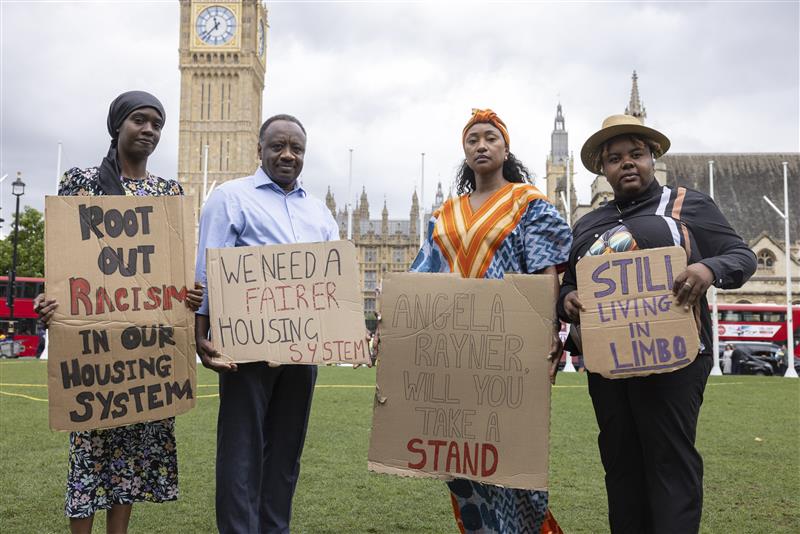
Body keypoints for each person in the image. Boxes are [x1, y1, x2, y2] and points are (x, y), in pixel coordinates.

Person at [558, 114, 756, 534]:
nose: (627, 163)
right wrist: (566, 299)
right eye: (615, 158)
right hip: (609, 362)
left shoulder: (687, 205)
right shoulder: (588, 223)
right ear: (602, 169)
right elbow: (569, 286)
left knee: (669, 460)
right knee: (621, 462)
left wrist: (707, 269)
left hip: (676, 357)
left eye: (636, 154)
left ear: (652, 159)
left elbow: (742, 256)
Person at [33, 90, 203, 534]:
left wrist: (191, 297)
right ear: (117, 125)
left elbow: (174, 270)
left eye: (157, 124)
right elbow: (65, 257)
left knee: (129, 459)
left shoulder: (168, 193)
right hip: (92, 349)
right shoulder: (82, 182)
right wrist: (50, 300)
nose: (149, 130)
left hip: (146, 351)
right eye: (140, 120)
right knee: (88, 453)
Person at [409, 109, 571, 534]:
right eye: (472, 140)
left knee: (514, 463)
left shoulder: (529, 204)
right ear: (464, 152)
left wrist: (545, 337)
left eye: (490, 138)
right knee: (461, 463)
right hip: (452, 355)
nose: (481, 146)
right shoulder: (445, 214)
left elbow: (546, 275)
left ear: (505, 147)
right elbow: (422, 277)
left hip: (509, 351)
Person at [195, 114, 339, 534]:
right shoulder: (230, 197)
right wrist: (201, 334)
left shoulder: (319, 212)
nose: (287, 154)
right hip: (245, 347)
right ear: (259, 150)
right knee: (241, 451)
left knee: (285, 453)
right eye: (278, 146)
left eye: (296, 148)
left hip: (301, 348)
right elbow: (209, 266)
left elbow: (332, 279)